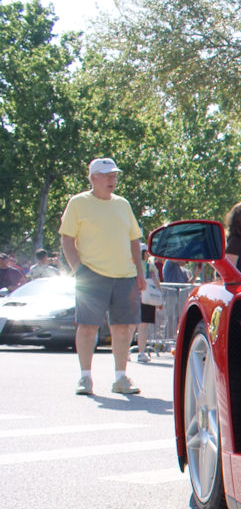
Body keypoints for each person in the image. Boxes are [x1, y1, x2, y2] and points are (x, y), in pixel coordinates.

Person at [58, 157, 147, 396]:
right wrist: (78, 269)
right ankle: (85, 378)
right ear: (93, 178)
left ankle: (120, 377)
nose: (112, 180)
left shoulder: (123, 204)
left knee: (123, 328)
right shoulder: (78, 203)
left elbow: (133, 240)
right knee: (87, 327)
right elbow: (66, 238)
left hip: (125, 276)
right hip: (92, 275)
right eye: (107, 175)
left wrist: (140, 273)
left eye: (114, 175)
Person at [132, 244, 161, 364]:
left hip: (133, 298)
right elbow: (156, 283)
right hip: (147, 298)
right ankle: (141, 353)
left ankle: (125, 353)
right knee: (143, 327)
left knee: (130, 327)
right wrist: (160, 299)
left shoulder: (131, 266)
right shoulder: (150, 267)